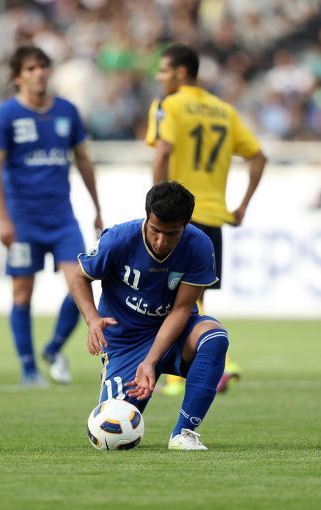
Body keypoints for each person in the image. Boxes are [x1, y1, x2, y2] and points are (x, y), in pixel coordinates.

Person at [145, 44, 267, 394]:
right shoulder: (224, 110)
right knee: (193, 297)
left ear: (181, 72)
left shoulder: (169, 105)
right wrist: (242, 206)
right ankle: (200, 365)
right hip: (211, 216)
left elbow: (163, 151)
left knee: (171, 298)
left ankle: (209, 366)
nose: (159, 78)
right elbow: (258, 157)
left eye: (163, 71)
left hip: (177, 218)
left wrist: (156, 206)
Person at [71, 181, 229, 450]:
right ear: (147, 218)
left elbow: (181, 309)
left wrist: (151, 362)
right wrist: (92, 319)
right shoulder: (118, 239)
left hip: (174, 333)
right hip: (125, 343)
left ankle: (183, 433)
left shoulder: (199, 245)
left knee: (214, 337)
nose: (161, 241)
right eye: (155, 230)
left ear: (186, 225)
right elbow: (79, 276)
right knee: (112, 430)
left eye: (172, 234)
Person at [0, 45, 103, 387]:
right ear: (17, 77)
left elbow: (83, 160)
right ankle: (28, 369)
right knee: (22, 294)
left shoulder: (67, 111)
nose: (39, 73)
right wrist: (3, 218)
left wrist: (97, 208)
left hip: (62, 218)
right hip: (23, 220)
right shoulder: (6, 115)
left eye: (43, 66)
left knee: (82, 283)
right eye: (31, 68)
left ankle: (52, 348)